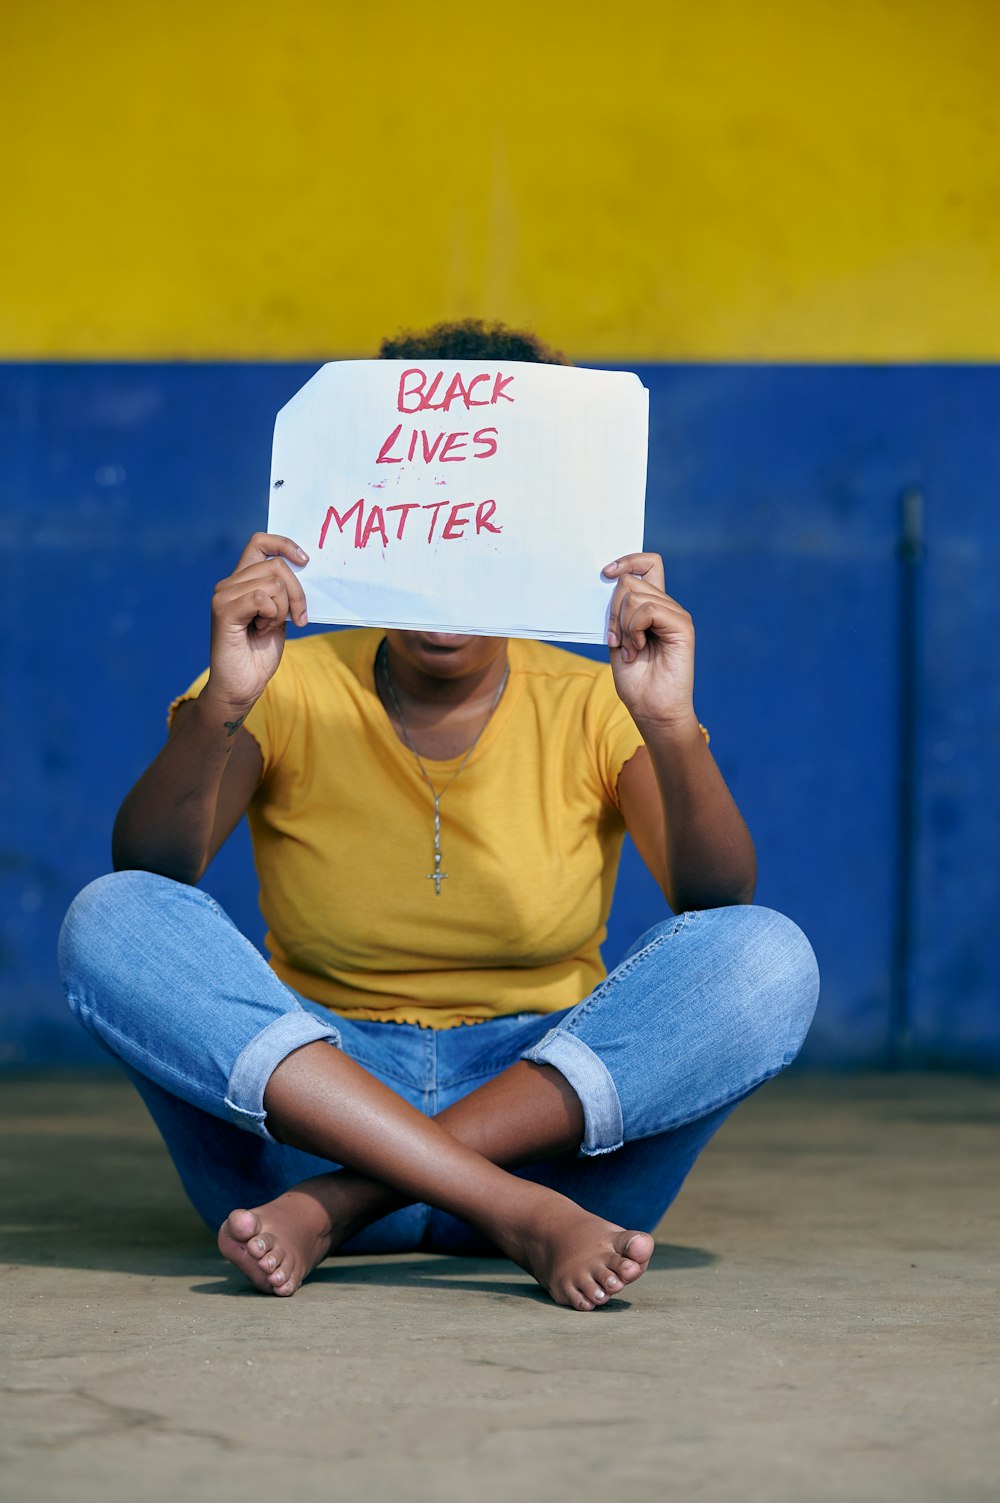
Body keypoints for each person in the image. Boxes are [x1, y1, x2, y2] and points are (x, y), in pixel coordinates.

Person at [59, 320, 819, 1312]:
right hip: (310, 1103)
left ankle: (348, 1205)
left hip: (551, 1124)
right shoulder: (286, 681)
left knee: (767, 955)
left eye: (481, 524)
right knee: (109, 916)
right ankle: (505, 1215)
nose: (449, 557)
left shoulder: (595, 697)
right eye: (421, 519)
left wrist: (668, 725)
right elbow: (154, 867)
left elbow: (717, 900)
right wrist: (224, 705)